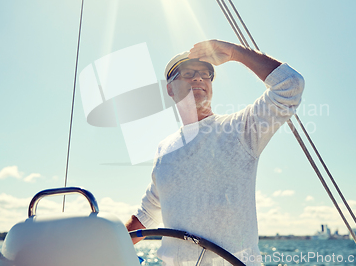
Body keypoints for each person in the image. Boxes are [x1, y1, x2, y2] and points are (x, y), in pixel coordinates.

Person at [125, 40, 305, 265]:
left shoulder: (240, 129)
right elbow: (146, 214)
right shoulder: (165, 149)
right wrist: (105, 245)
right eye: (188, 73)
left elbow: (290, 85)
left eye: (206, 74)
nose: (199, 78)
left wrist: (235, 53)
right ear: (170, 89)